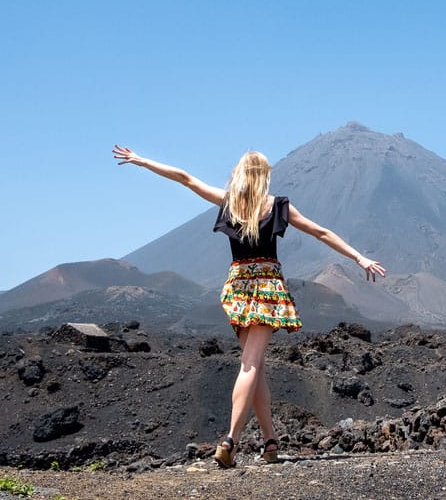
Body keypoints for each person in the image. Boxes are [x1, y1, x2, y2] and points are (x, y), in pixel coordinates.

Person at [112, 145, 386, 467]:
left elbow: (185, 178)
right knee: (251, 365)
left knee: (254, 366)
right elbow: (320, 232)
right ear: (264, 176)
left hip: (237, 287)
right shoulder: (277, 206)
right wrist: (358, 257)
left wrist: (142, 161)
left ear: (240, 174)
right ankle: (231, 440)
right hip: (267, 288)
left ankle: (270, 441)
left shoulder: (229, 202)